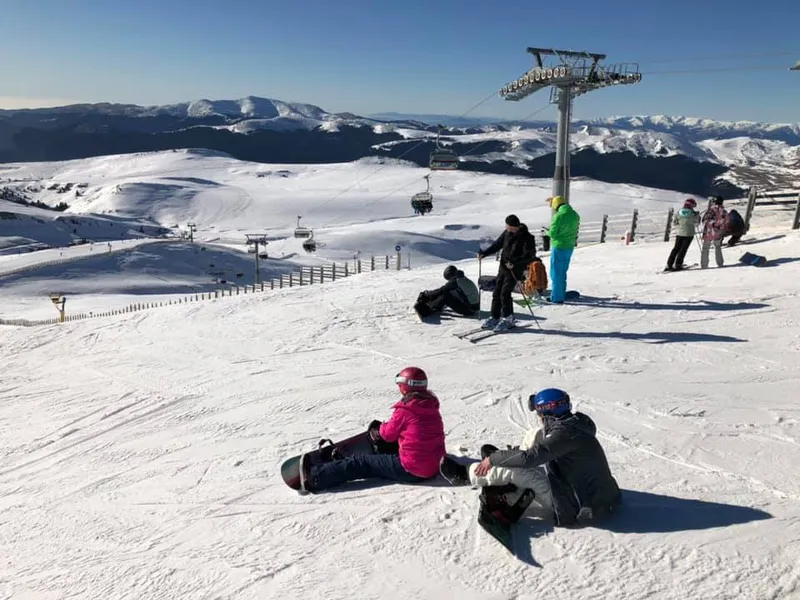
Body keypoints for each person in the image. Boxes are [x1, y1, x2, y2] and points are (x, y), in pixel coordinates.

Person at [439, 388, 622, 527]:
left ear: (546, 411)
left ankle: (465, 475)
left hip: (572, 505)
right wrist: (510, 454)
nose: (538, 416)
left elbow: (530, 459)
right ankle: (507, 465)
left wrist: (493, 459)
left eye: (539, 412)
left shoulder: (564, 434)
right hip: (589, 493)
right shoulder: (575, 424)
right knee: (535, 437)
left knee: (521, 471)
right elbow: (543, 447)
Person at [300, 367, 446, 492]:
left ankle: (315, 477)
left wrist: (379, 430)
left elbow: (388, 435)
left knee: (361, 463)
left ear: (404, 386)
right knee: (390, 444)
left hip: (412, 470)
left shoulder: (407, 410)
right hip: (435, 465)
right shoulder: (430, 406)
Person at [476, 214, 537, 331]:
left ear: (516, 226)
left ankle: (508, 319)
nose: (508, 229)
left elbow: (530, 256)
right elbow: (497, 245)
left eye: (511, 227)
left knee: (505, 293)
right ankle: (495, 317)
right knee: (497, 291)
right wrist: (484, 253)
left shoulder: (527, 237)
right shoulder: (507, 233)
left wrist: (515, 262)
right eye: (508, 226)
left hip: (515, 269)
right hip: (504, 267)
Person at [546, 196, 580, 304]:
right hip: (569, 247)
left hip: (559, 246)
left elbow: (552, 233)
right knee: (563, 271)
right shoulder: (575, 214)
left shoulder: (559, 216)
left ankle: (556, 297)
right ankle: (560, 293)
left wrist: (547, 231)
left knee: (556, 273)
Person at [414, 265, 480, 319]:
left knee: (446, 296)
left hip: (470, 309)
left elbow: (442, 290)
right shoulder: (461, 278)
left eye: (448, 278)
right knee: (448, 293)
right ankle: (434, 304)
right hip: (472, 306)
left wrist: (427, 295)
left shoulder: (456, 281)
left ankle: (427, 310)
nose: (449, 280)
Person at [665, 198, 701, 271]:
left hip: (680, 233)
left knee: (676, 249)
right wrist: (697, 216)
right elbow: (696, 223)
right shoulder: (693, 213)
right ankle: (678, 264)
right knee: (683, 249)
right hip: (689, 233)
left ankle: (669, 264)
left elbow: (675, 222)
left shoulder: (679, 212)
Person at [701, 196, 727, 268]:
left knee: (706, 248)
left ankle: (704, 265)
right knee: (718, 247)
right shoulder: (724, 211)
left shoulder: (711, 210)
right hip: (719, 232)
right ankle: (720, 263)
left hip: (709, 231)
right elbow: (726, 221)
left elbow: (705, 220)